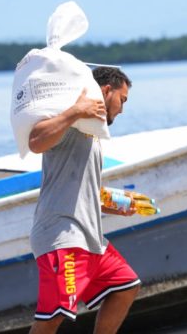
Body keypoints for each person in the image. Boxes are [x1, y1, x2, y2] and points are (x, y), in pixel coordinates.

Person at [28, 67, 141, 334]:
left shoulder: (92, 131)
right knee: (52, 317)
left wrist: (113, 203)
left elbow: (80, 189)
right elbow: (35, 140)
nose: (122, 109)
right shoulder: (72, 120)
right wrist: (74, 112)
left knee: (126, 286)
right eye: (122, 100)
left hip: (90, 239)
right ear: (106, 91)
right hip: (62, 236)